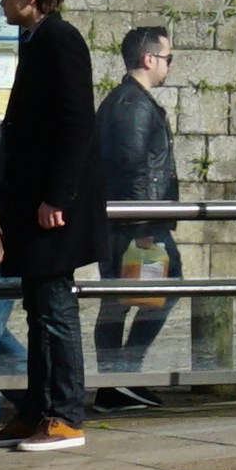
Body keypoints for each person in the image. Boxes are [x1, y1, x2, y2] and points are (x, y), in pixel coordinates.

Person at [0, 0, 111, 449]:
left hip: (53, 206)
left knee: (55, 309)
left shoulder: (60, 39)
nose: (2, 1)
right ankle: (38, 411)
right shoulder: (37, 40)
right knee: (40, 309)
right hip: (34, 202)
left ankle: (65, 415)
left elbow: (77, 123)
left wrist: (57, 196)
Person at [94, 27, 184, 410]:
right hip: (139, 225)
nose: (169, 65)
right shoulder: (132, 106)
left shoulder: (127, 101)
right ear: (149, 59)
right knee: (166, 286)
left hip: (131, 222)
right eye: (168, 58)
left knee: (119, 299)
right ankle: (120, 378)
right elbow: (131, 168)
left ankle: (117, 383)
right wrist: (145, 224)